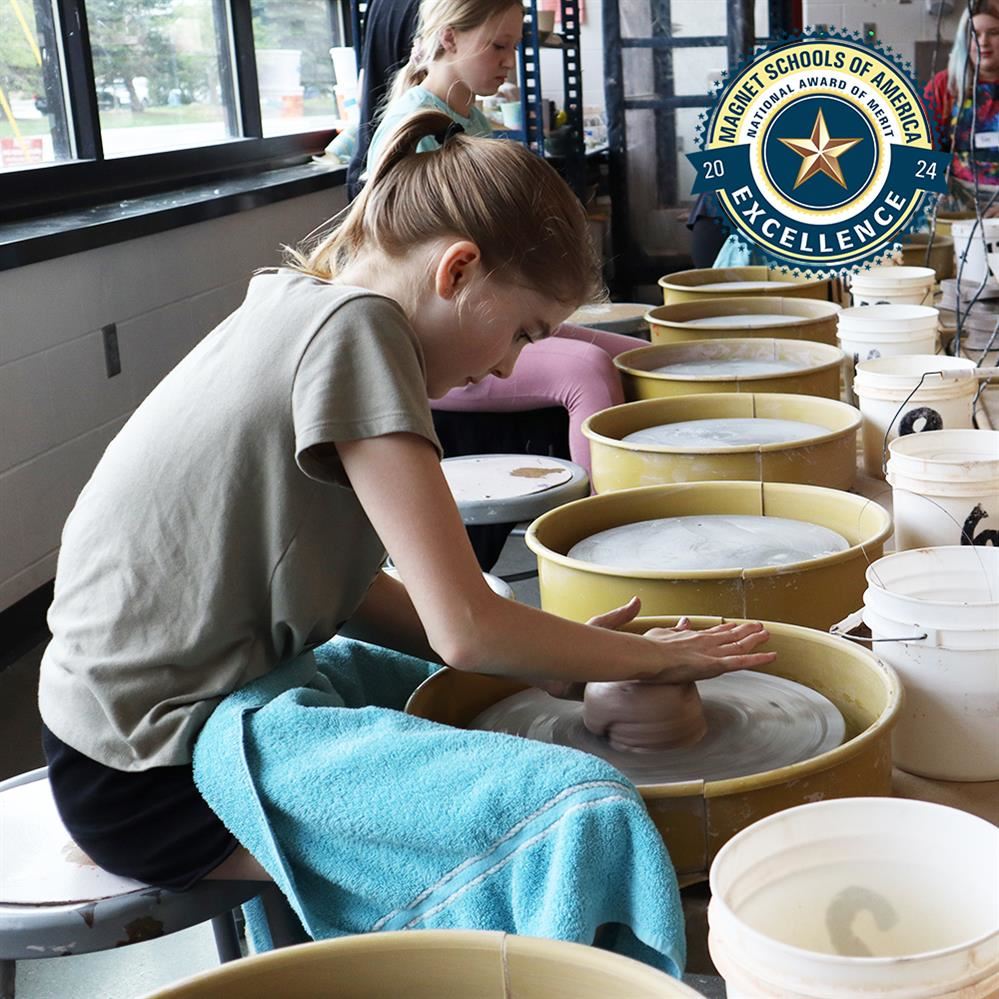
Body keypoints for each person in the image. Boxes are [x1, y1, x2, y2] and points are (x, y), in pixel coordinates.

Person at [38, 111, 775, 897]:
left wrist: (554, 664)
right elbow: (467, 629)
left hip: (100, 739)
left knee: (470, 704)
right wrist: (659, 656)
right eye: (523, 332)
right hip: (156, 772)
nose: (506, 369)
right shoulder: (360, 332)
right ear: (456, 271)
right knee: (581, 817)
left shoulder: (301, 301)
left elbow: (351, 591)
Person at [366, 0, 642, 482]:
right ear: (448, 37)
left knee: (634, 356)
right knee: (588, 370)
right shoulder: (417, 130)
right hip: (440, 335)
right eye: (498, 46)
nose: (508, 61)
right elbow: (454, 286)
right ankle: (598, 534)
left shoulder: (473, 122)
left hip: (490, 311)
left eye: (514, 47)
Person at [924, 0, 999, 215]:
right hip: (956, 206)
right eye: (975, 33)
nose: (983, 42)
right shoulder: (944, 86)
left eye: (994, 33)